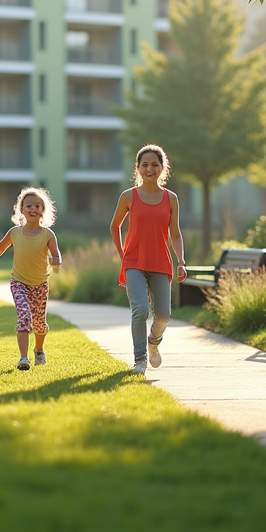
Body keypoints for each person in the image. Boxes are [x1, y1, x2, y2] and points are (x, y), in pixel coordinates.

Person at [109, 144, 186, 375]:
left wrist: (181, 260)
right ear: (138, 168)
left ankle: (154, 342)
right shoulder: (128, 196)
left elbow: (175, 233)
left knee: (163, 315)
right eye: (145, 165)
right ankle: (140, 360)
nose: (149, 169)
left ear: (163, 168)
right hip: (134, 263)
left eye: (154, 164)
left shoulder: (171, 199)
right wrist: (123, 255)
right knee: (140, 310)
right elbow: (115, 227)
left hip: (161, 263)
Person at [0, 187, 62, 371]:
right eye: (29, 205)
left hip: (40, 284)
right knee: (24, 316)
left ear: (43, 210)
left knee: (39, 323)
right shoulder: (15, 232)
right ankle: (24, 358)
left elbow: (56, 255)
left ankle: (39, 349)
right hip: (18, 282)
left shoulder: (48, 235)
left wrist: (56, 261)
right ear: (21, 210)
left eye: (37, 206)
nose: (33, 209)